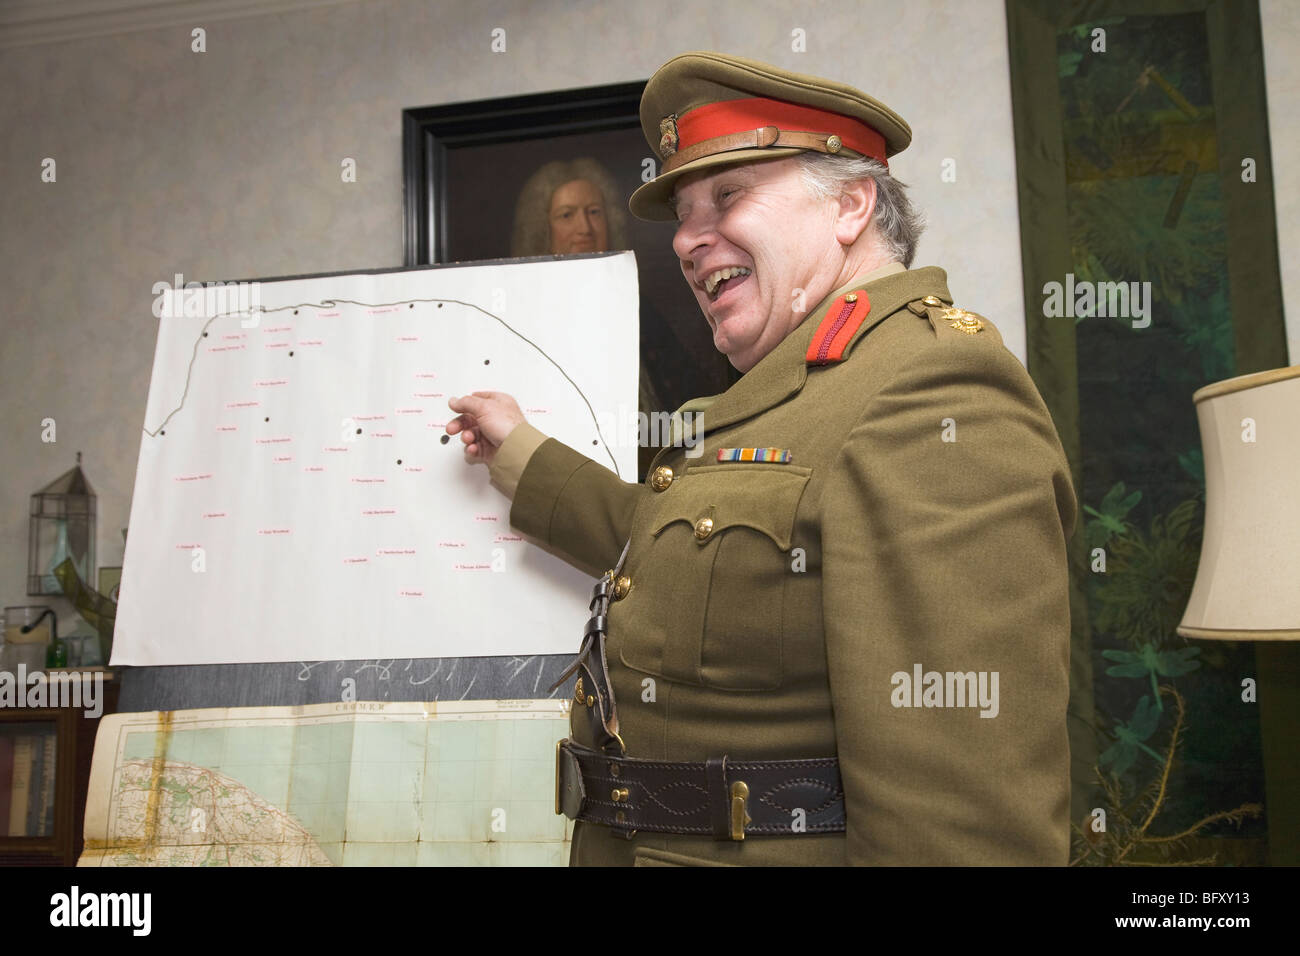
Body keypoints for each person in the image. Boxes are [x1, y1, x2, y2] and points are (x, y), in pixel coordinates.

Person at [448, 51, 1077, 866]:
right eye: (682, 211)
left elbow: (964, 828)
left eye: (728, 196)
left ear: (851, 204)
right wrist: (524, 455)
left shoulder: (935, 391)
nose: (684, 238)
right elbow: (703, 560)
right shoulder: (804, 386)